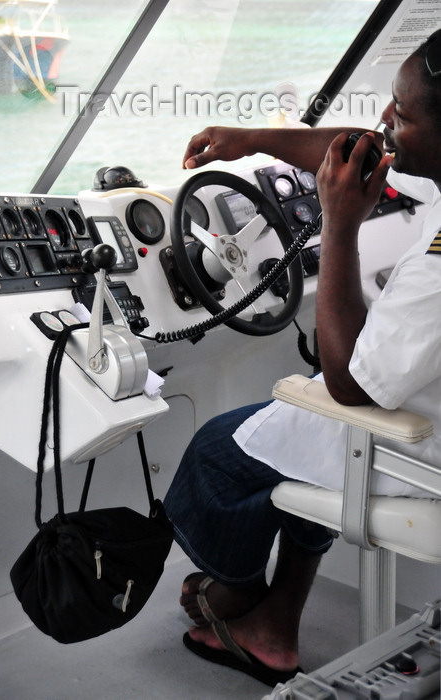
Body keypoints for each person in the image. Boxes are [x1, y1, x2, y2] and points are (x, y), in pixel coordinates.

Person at [163, 30, 441, 686]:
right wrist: (254, 140)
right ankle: (274, 628)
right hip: (417, 412)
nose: (384, 123)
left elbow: (347, 384)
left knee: (216, 456)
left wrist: (339, 223)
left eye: (402, 112)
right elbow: (363, 152)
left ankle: (230, 597)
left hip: (413, 449)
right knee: (290, 436)